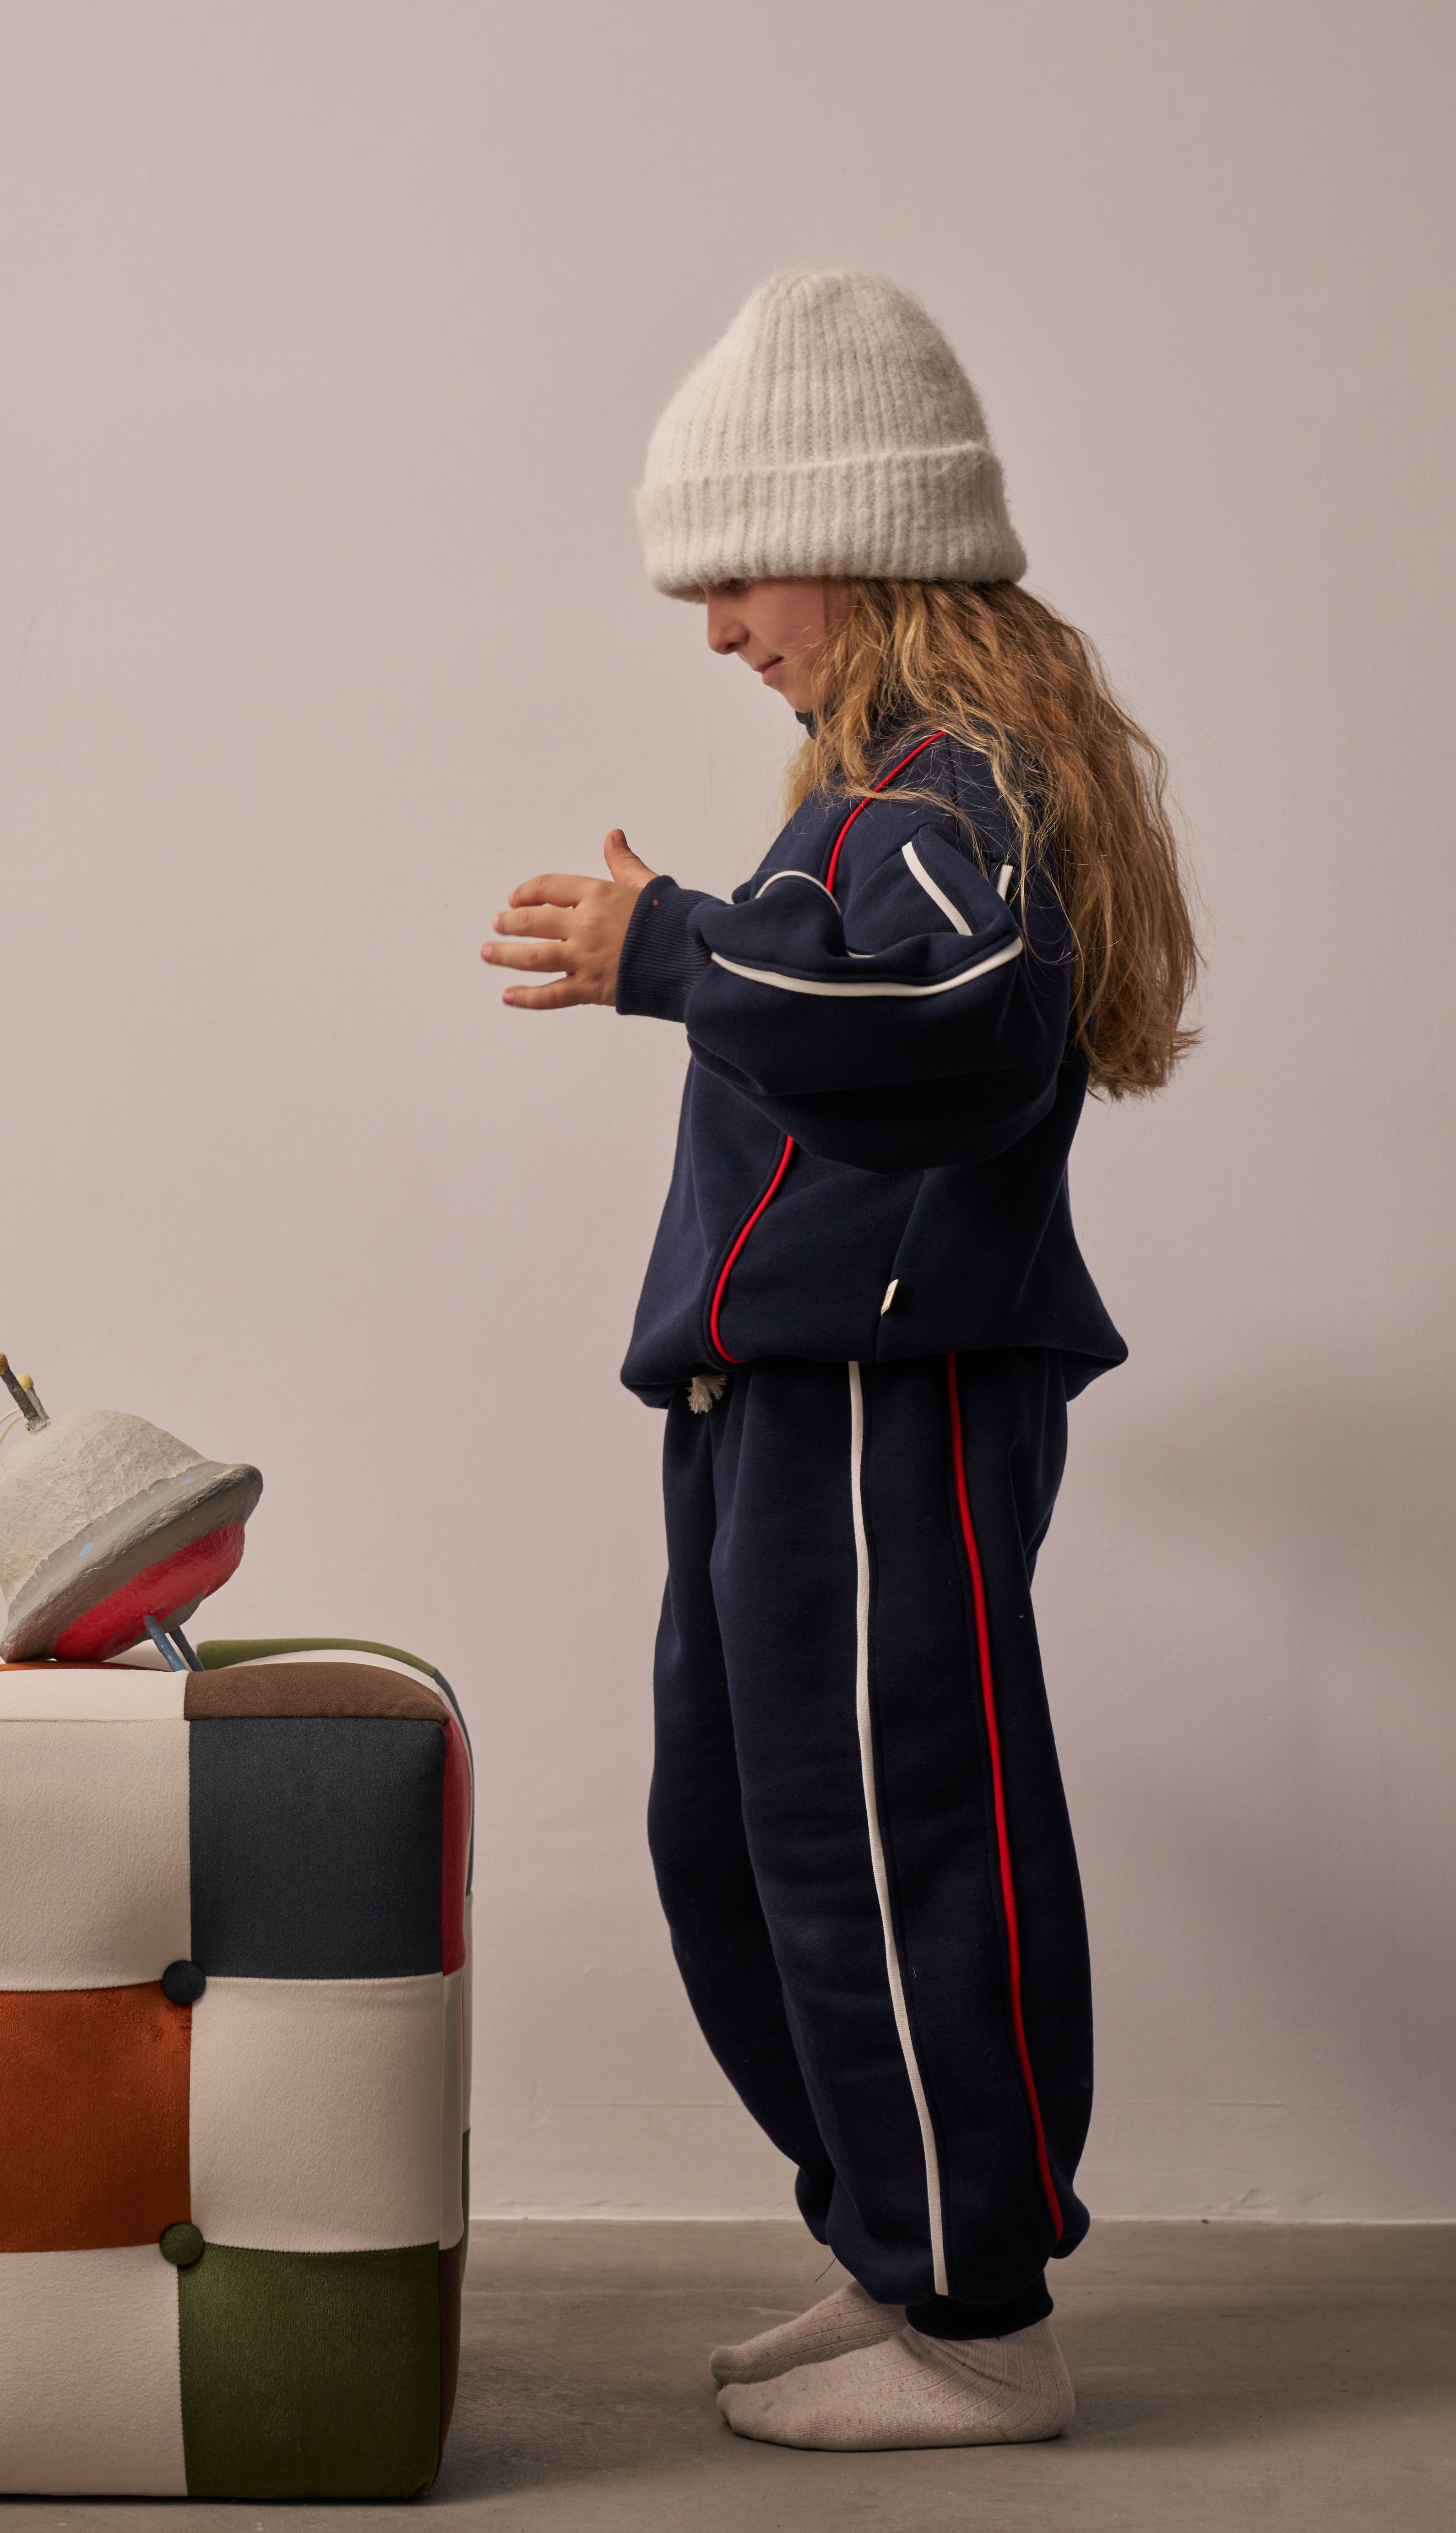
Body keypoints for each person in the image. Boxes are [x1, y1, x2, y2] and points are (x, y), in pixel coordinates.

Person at [480, 272, 1197, 2453]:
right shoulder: (878, 794)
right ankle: (901, 2252)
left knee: (888, 1835)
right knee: (737, 1832)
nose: (715, 628)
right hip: (780, 1399)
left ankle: (982, 2317)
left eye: (736, 572)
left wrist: (674, 949)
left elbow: (956, 1034)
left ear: (867, 541)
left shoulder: (948, 796)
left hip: (880, 1397)